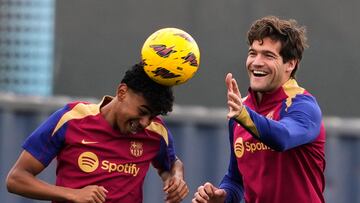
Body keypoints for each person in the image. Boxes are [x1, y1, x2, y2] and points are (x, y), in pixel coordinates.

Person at [6, 63, 189, 203]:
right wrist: (73, 195)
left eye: (152, 116)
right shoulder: (71, 118)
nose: (145, 122)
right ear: (122, 92)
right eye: (142, 112)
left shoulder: (156, 132)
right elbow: (16, 179)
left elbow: (172, 164)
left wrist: (176, 179)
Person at [192, 16, 326, 203]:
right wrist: (222, 196)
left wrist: (243, 115)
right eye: (253, 53)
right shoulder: (241, 111)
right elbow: (236, 180)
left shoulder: (303, 105)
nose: (256, 62)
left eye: (268, 55)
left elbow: (283, 138)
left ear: (290, 64)